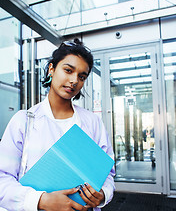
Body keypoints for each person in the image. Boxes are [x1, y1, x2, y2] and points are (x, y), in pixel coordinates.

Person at [0, 39, 115, 211]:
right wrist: (41, 200)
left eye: (82, 76)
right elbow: (2, 178)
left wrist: (103, 194)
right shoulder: (23, 121)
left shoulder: (93, 122)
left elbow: (107, 173)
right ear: (52, 69)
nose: (74, 80)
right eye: (68, 70)